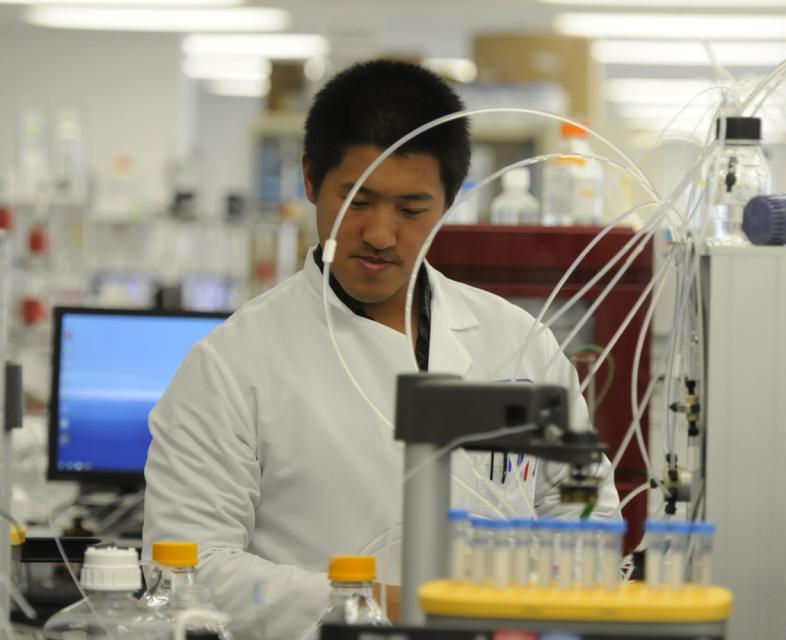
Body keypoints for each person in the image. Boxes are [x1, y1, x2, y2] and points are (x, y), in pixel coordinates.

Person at [143, 59, 620, 640]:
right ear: (311, 180)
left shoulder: (517, 342)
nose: (380, 234)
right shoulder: (230, 365)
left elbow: (585, 517)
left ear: (448, 202)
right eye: (358, 201)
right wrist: (372, 602)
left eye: (412, 209)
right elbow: (185, 571)